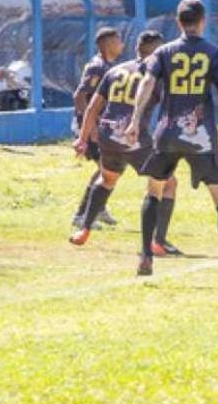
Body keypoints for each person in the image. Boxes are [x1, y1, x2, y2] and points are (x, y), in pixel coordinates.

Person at [125, 0, 218, 284]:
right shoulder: (215, 52)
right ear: (203, 21)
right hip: (200, 136)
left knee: (153, 191)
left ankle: (146, 255)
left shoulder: (163, 52)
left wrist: (135, 121)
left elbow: (147, 84)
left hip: (168, 133)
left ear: (178, 22)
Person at [71, 30, 180, 252]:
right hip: (133, 137)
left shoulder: (115, 70)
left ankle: (85, 228)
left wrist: (83, 138)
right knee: (168, 183)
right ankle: (158, 241)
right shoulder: (156, 75)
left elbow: (93, 107)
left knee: (107, 178)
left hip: (108, 136)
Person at [69, 26, 125, 234]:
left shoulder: (110, 66)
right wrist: (89, 126)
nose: (122, 45)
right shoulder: (97, 67)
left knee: (112, 168)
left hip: (102, 125)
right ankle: (82, 214)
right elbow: (80, 96)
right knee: (106, 169)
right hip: (92, 127)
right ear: (108, 44)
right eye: (118, 40)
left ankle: (98, 207)